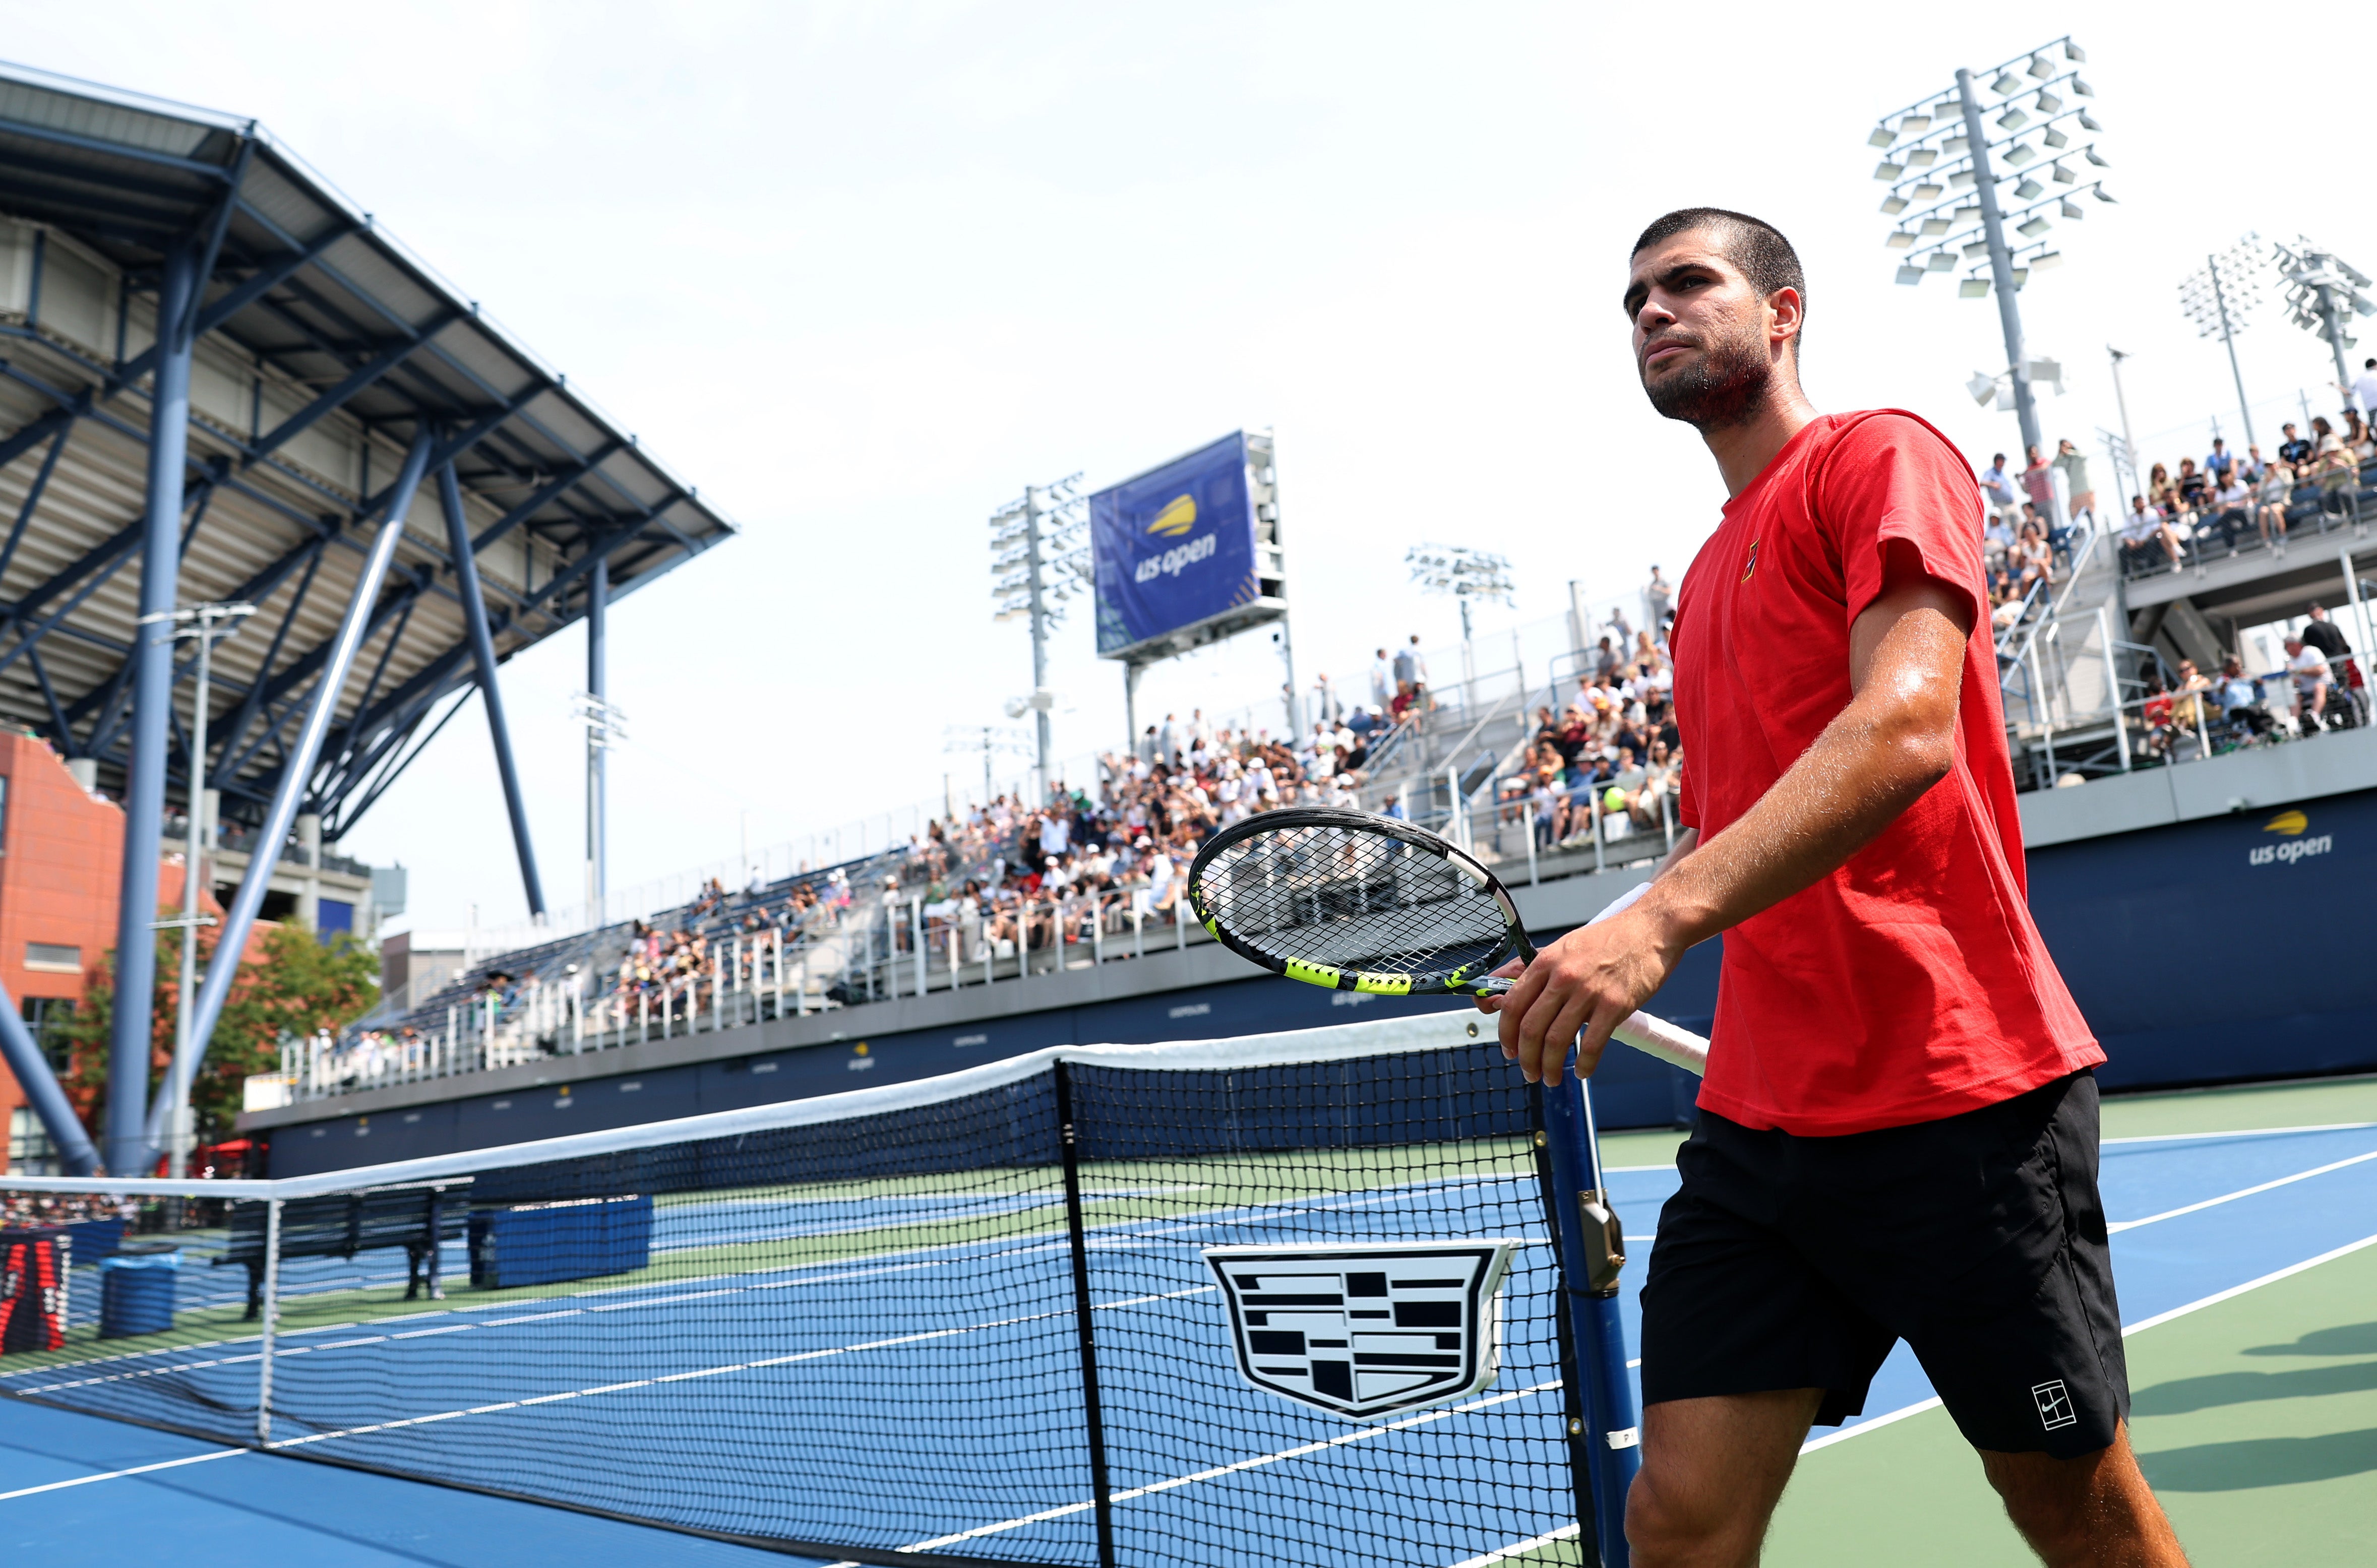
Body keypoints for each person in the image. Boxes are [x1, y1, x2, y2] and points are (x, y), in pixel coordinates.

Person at [1481, 206, 2184, 1565]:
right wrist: (1608, 936)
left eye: (1686, 282)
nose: (1651, 312)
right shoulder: (1701, 578)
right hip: (1760, 1131)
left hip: (1957, 1097)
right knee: (1676, 1519)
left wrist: (1657, 920)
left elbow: (1906, 727)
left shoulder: (1878, 455)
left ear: (1782, 311)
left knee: (2070, 1508)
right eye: (1633, 300)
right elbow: (1735, 831)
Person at [2285, 634, 2333, 731]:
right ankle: (2294, 723)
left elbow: (2320, 670)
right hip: (2304, 690)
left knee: (2319, 688)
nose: (2286, 649)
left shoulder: (2311, 651)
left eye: (2288, 646)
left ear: (2296, 644)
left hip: (2323, 685)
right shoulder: (2290, 660)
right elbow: (2294, 681)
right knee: (2294, 696)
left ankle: (2314, 716)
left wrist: (2299, 671)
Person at [2050, 439, 2095, 526]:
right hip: (2074, 492)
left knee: (2090, 513)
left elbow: (2084, 457)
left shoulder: (2077, 455)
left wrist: (2069, 452)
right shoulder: (2064, 460)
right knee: (2073, 514)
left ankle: (2094, 529)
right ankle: (2078, 531)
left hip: (2085, 489)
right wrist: (2060, 454)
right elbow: (2054, 465)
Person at [1979, 452, 2021, 527]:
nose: (2004, 463)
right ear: (1998, 461)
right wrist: (1993, 484)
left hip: (2011, 504)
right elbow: (1982, 483)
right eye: (2002, 461)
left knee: (2018, 525)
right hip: (2001, 506)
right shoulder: (1990, 472)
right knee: (2006, 526)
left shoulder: (2002, 474)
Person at [1646, 565, 1674, 629]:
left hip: (1665, 606)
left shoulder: (1664, 581)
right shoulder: (1652, 584)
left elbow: (1670, 591)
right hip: (1656, 607)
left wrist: (1659, 589)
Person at [2354, 357, 2377, 422]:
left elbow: (2349, 393)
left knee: (2373, 427)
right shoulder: (2376, 374)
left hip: (2370, 408)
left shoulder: (2360, 379)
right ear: (2375, 365)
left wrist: (2336, 385)